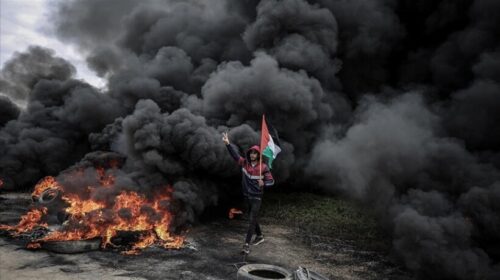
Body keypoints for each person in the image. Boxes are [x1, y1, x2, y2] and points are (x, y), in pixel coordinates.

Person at [222, 132, 274, 254]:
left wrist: (264, 183)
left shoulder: (264, 167)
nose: (252, 155)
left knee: (251, 220)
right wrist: (228, 144)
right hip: (247, 196)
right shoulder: (244, 163)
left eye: (255, 153)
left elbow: (271, 181)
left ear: (258, 155)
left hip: (257, 198)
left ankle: (246, 245)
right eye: (251, 152)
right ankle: (260, 236)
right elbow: (235, 156)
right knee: (252, 218)